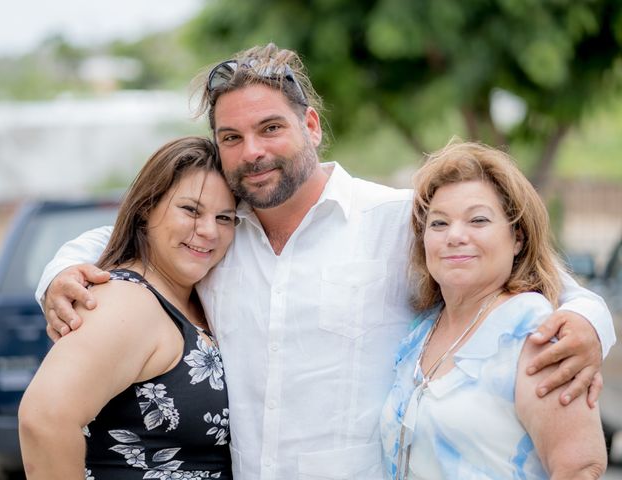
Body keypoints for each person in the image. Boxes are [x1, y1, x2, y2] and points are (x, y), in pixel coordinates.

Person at [35, 44, 615, 479]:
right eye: (230, 137)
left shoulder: (398, 221)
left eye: (270, 128)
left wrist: (589, 324)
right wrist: (57, 274)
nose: (252, 151)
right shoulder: (219, 234)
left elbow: (546, 277)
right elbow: (129, 231)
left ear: (311, 125)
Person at [380, 141, 607, 479]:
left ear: (517, 237)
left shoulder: (536, 333)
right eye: (439, 224)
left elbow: (580, 468)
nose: (455, 236)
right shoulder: (422, 330)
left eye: (478, 220)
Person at [19, 136, 236, 479]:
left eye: (225, 217)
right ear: (146, 206)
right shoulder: (127, 302)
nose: (208, 230)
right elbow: (44, 418)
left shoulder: (193, 298)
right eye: (191, 210)